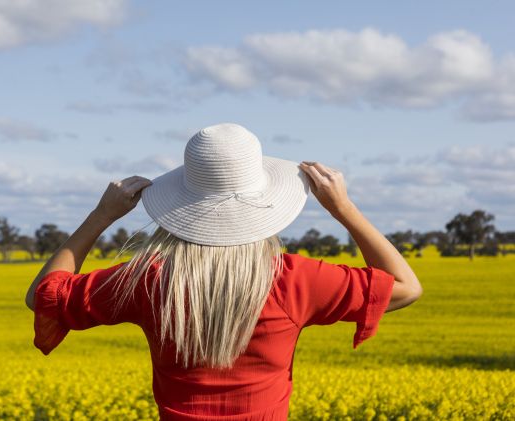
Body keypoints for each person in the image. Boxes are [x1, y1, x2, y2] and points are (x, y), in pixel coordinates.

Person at [25, 123, 422, 420]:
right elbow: (405, 287)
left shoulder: (148, 280)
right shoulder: (293, 280)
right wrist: (343, 209)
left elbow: (43, 294)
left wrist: (101, 215)